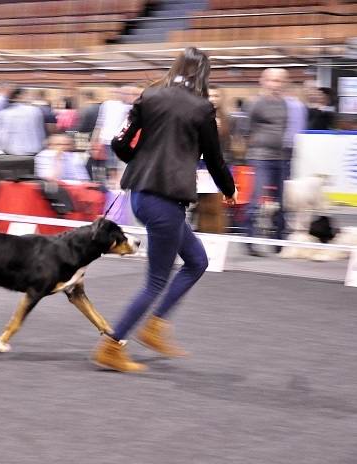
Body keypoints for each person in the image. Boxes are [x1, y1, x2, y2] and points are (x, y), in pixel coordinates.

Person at [90, 47, 237, 373]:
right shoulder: (202, 109)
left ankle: (155, 326)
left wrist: (141, 165)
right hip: (165, 202)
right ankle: (112, 345)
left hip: (141, 195)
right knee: (155, 282)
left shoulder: (150, 95)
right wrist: (230, 190)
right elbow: (214, 160)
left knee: (197, 261)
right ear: (203, 74)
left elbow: (119, 143)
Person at [244, 68, 296, 256]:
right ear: (263, 81)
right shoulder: (255, 103)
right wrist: (255, 145)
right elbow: (245, 129)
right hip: (260, 157)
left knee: (282, 203)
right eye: (272, 80)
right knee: (256, 201)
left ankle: (279, 241)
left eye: (280, 81)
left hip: (281, 158)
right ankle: (249, 239)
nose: (276, 84)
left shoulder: (285, 104)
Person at [195, 85, 231, 234]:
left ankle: (213, 238)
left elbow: (227, 146)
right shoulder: (195, 117)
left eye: (216, 96)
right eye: (210, 96)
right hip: (196, 166)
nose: (213, 99)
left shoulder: (227, 120)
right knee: (198, 206)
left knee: (212, 206)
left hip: (215, 167)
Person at [0, 87, 46, 156]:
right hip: (32, 148)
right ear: (19, 96)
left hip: (10, 150)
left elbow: (0, 134)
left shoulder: (4, 113)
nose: (30, 97)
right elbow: (40, 131)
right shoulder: (35, 110)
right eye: (27, 94)